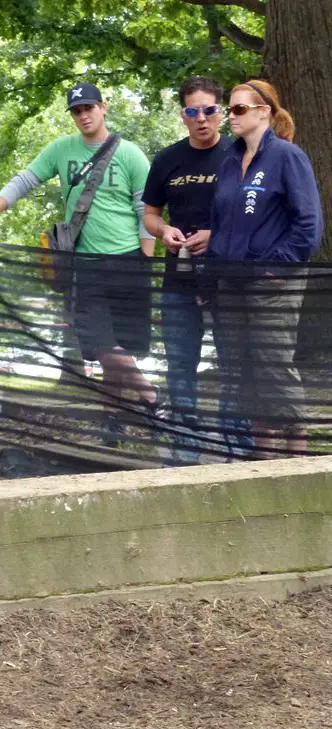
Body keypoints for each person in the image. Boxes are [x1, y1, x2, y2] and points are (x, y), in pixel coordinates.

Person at [0, 82, 162, 443]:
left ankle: (112, 420)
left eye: (89, 107)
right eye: (76, 110)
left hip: (128, 262)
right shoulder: (61, 150)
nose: (83, 115)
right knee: (101, 343)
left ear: (103, 108)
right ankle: (151, 396)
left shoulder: (131, 154)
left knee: (118, 349)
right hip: (84, 265)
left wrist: (145, 260)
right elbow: (24, 180)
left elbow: (145, 211)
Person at [207, 79, 323, 458]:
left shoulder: (286, 156)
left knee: (273, 364)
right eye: (230, 109)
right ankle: (263, 459)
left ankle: (300, 460)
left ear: (264, 112)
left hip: (273, 281)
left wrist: (275, 268)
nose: (231, 116)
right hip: (231, 282)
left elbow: (309, 225)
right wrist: (211, 279)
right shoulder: (228, 161)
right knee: (243, 369)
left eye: (239, 109)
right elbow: (220, 224)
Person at [143, 76, 252, 463]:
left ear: (221, 112)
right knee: (179, 362)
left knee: (234, 362)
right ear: (182, 116)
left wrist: (215, 234)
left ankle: (236, 443)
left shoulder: (241, 155)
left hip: (228, 278)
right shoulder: (166, 160)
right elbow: (150, 214)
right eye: (193, 112)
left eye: (209, 110)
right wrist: (164, 231)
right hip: (179, 278)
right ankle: (184, 444)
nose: (202, 119)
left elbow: (255, 214)